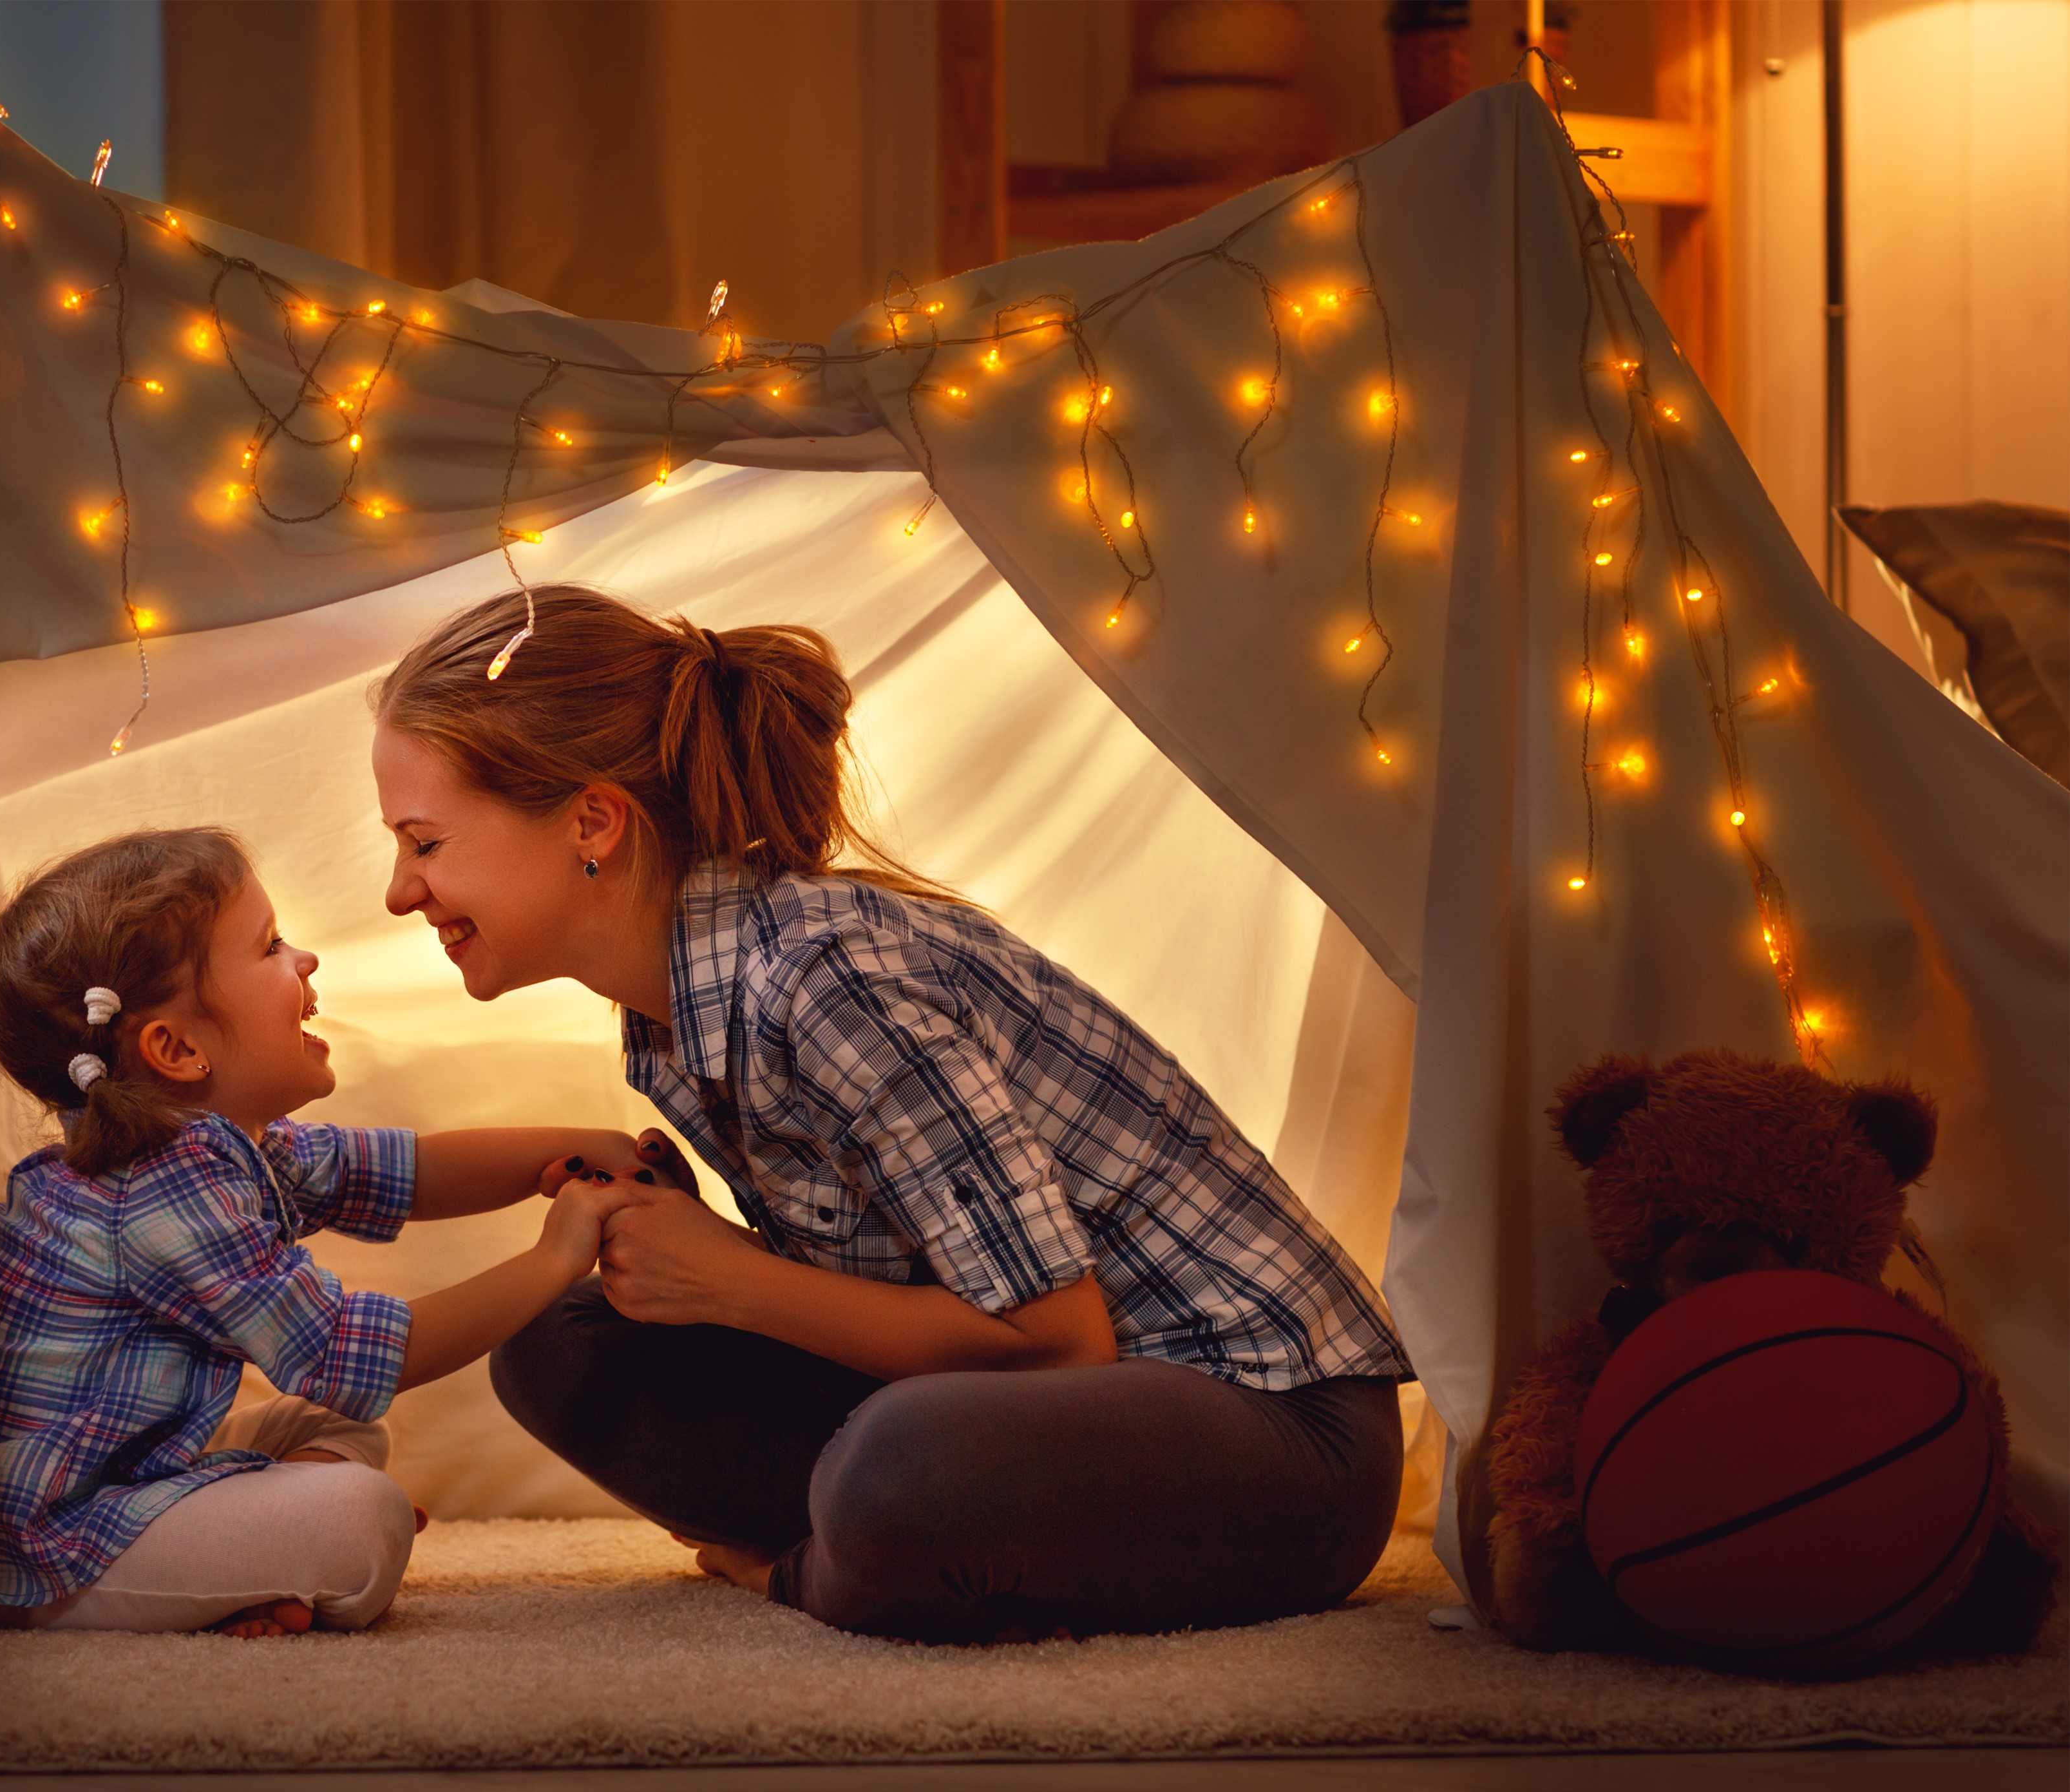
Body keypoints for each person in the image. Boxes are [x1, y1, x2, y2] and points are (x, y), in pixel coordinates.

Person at [368, 586, 1416, 1646]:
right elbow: (906, 1286)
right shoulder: (676, 1016)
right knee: (561, 1341)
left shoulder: (828, 980)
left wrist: (733, 1280)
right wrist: (695, 1260)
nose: (399, 894)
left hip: (1272, 1433)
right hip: (1036, 1412)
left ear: (591, 822)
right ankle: (895, 1549)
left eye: (424, 843)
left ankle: (818, 1571)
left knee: (902, 1467)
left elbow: (1057, 1343)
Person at [0, 826, 685, 1637]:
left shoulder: (220, 1148)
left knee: (336, 1429)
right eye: (269, 946)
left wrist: (577, 1147)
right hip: (41, 1532)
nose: (305, 961)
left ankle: (247, 1558)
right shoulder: (156, 1189)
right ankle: (242, 1556)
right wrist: (554, 1257)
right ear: (177, 1048)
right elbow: (347, 1355)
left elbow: (409, 1172)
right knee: (360, 1521)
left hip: (117, 1466)